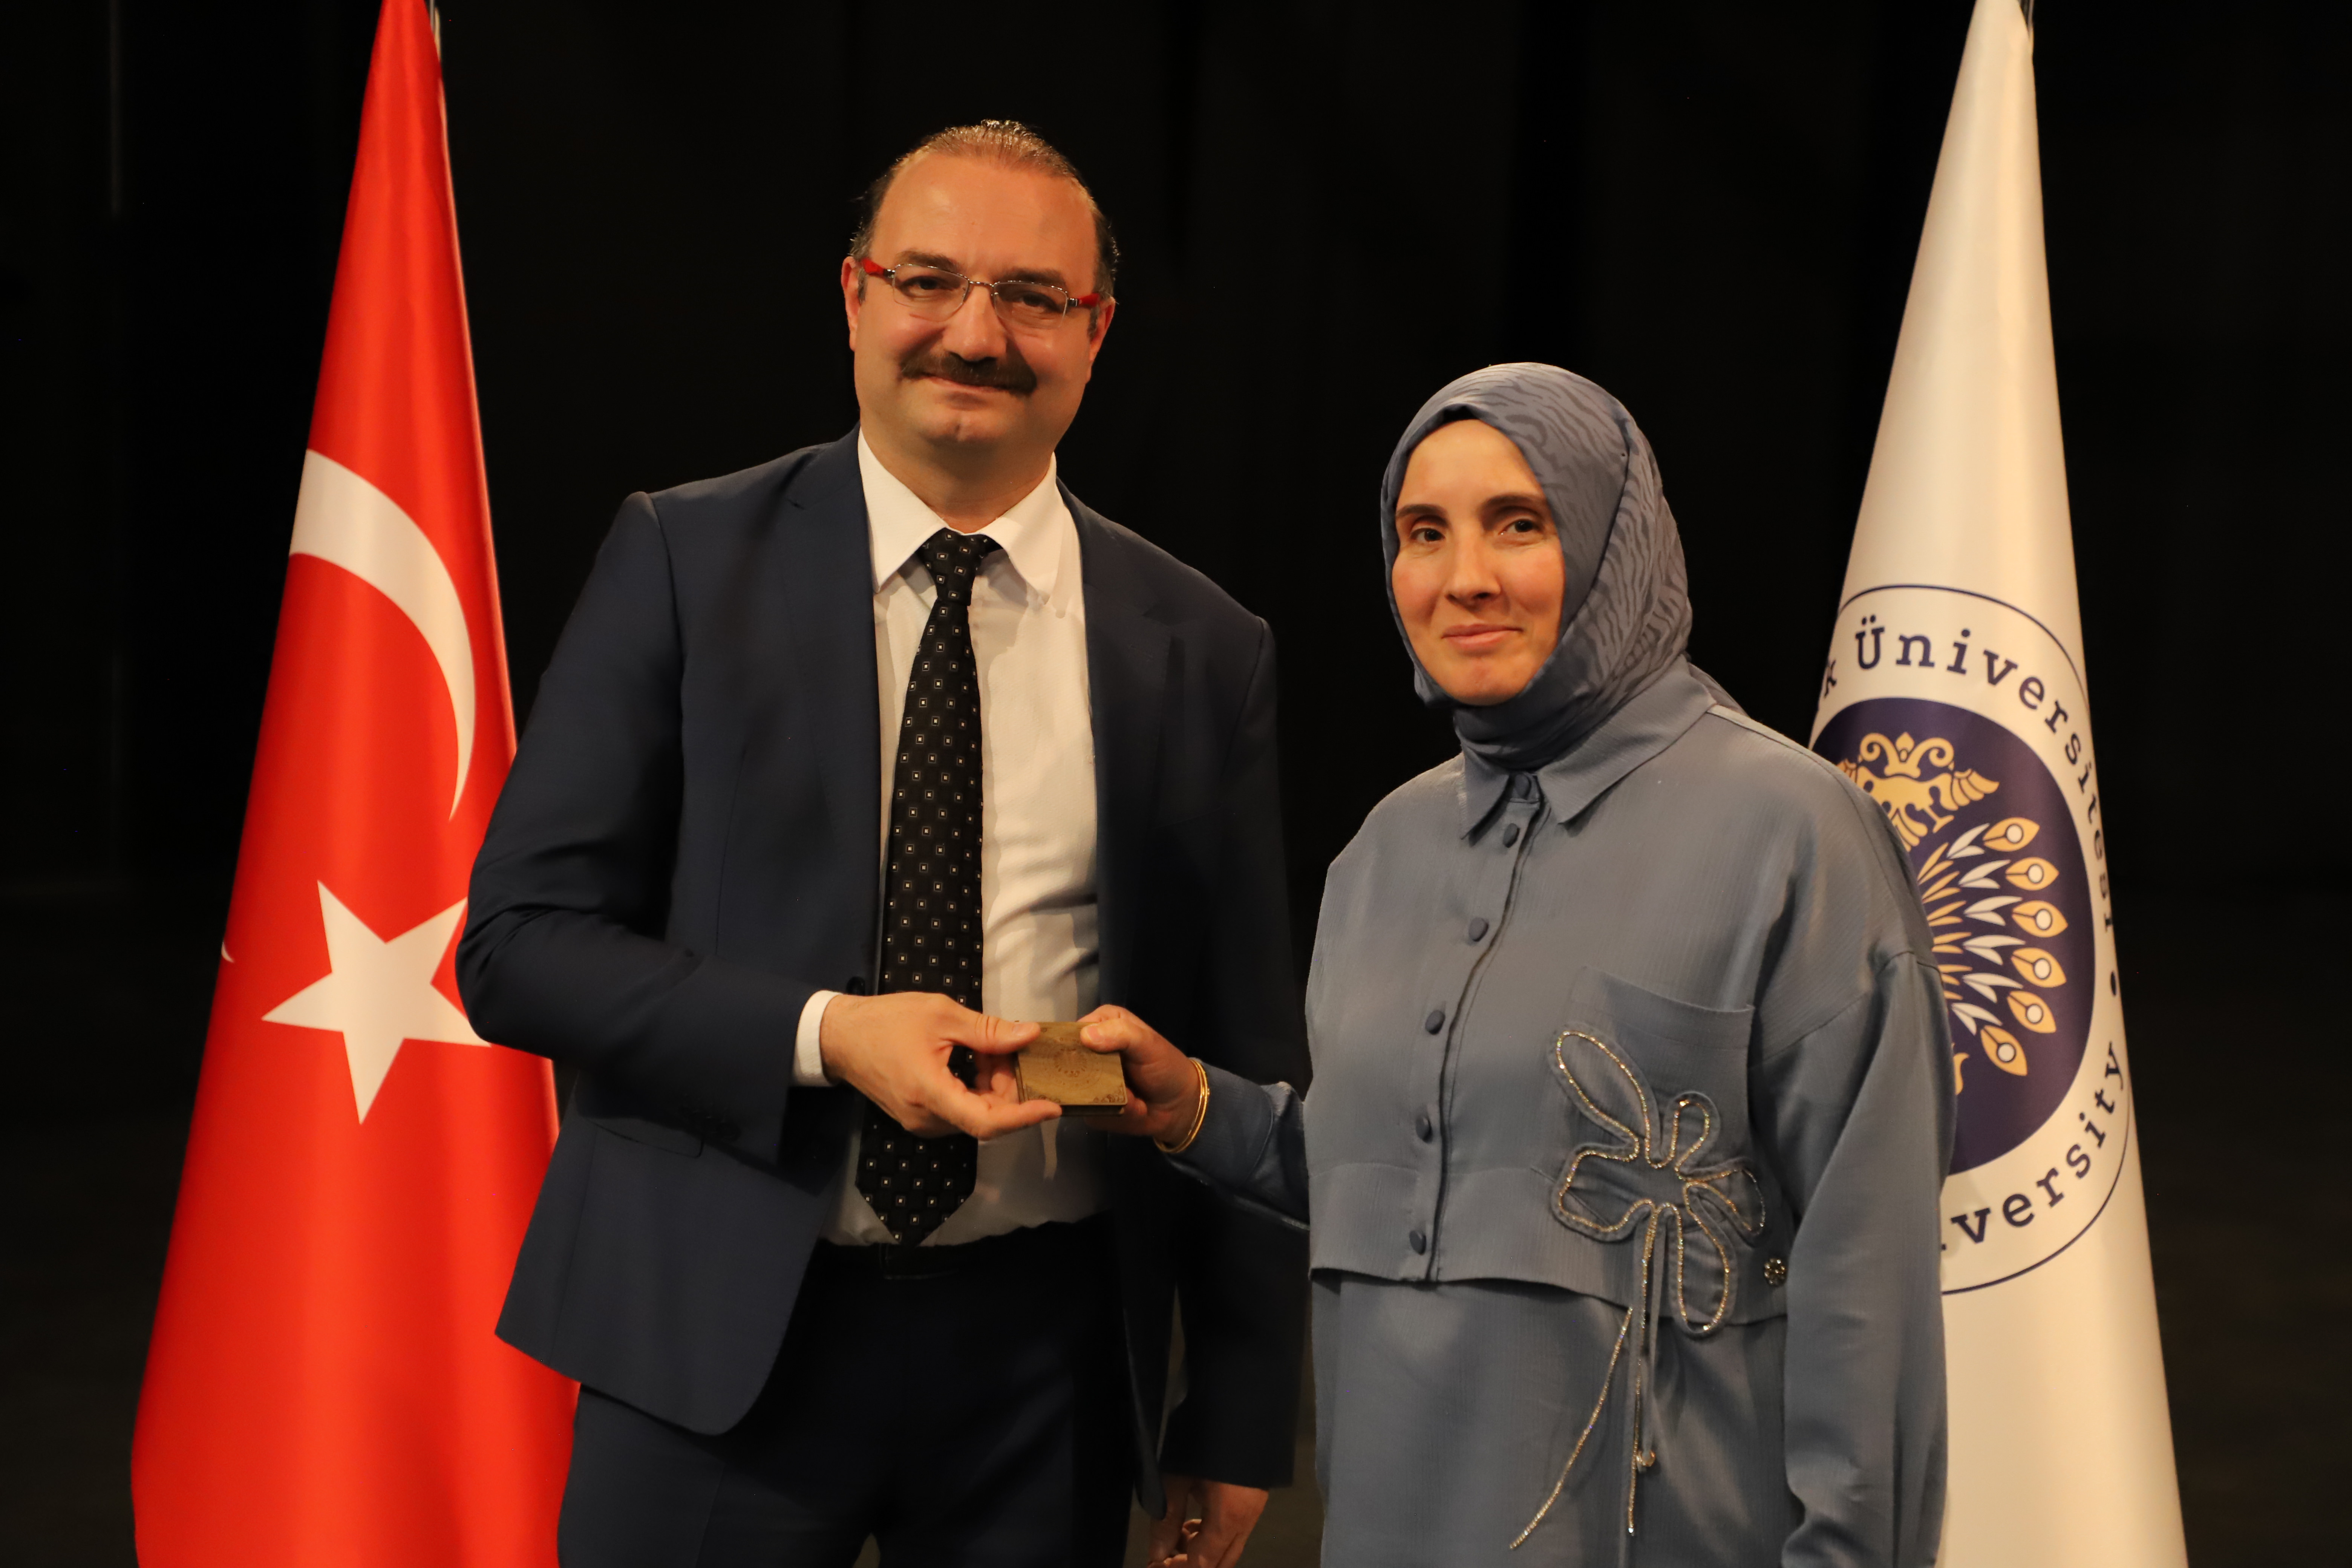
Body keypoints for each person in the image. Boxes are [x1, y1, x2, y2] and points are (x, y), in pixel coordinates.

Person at [458, 121, 1306, 1568]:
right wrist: (828, 1036)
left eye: (1032, 297)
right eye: (929, 280)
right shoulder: (681, 559)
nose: (976, 334)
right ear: (854, 297)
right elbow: (517, 949)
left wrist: (1233, 1413)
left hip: (1046, 1367)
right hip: (712, 1342)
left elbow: (1241, 1047)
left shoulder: (1204, 648)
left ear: (1096, 333)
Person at [1084, 364, 1954, 1566]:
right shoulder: (1383, 852)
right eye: (1423, 532)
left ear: (1615, 541)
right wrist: (1197, 1111)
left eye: (1519, 524)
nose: (1466, 578)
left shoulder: (1793, 833)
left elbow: (1872, 1283)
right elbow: (1423, 1175)